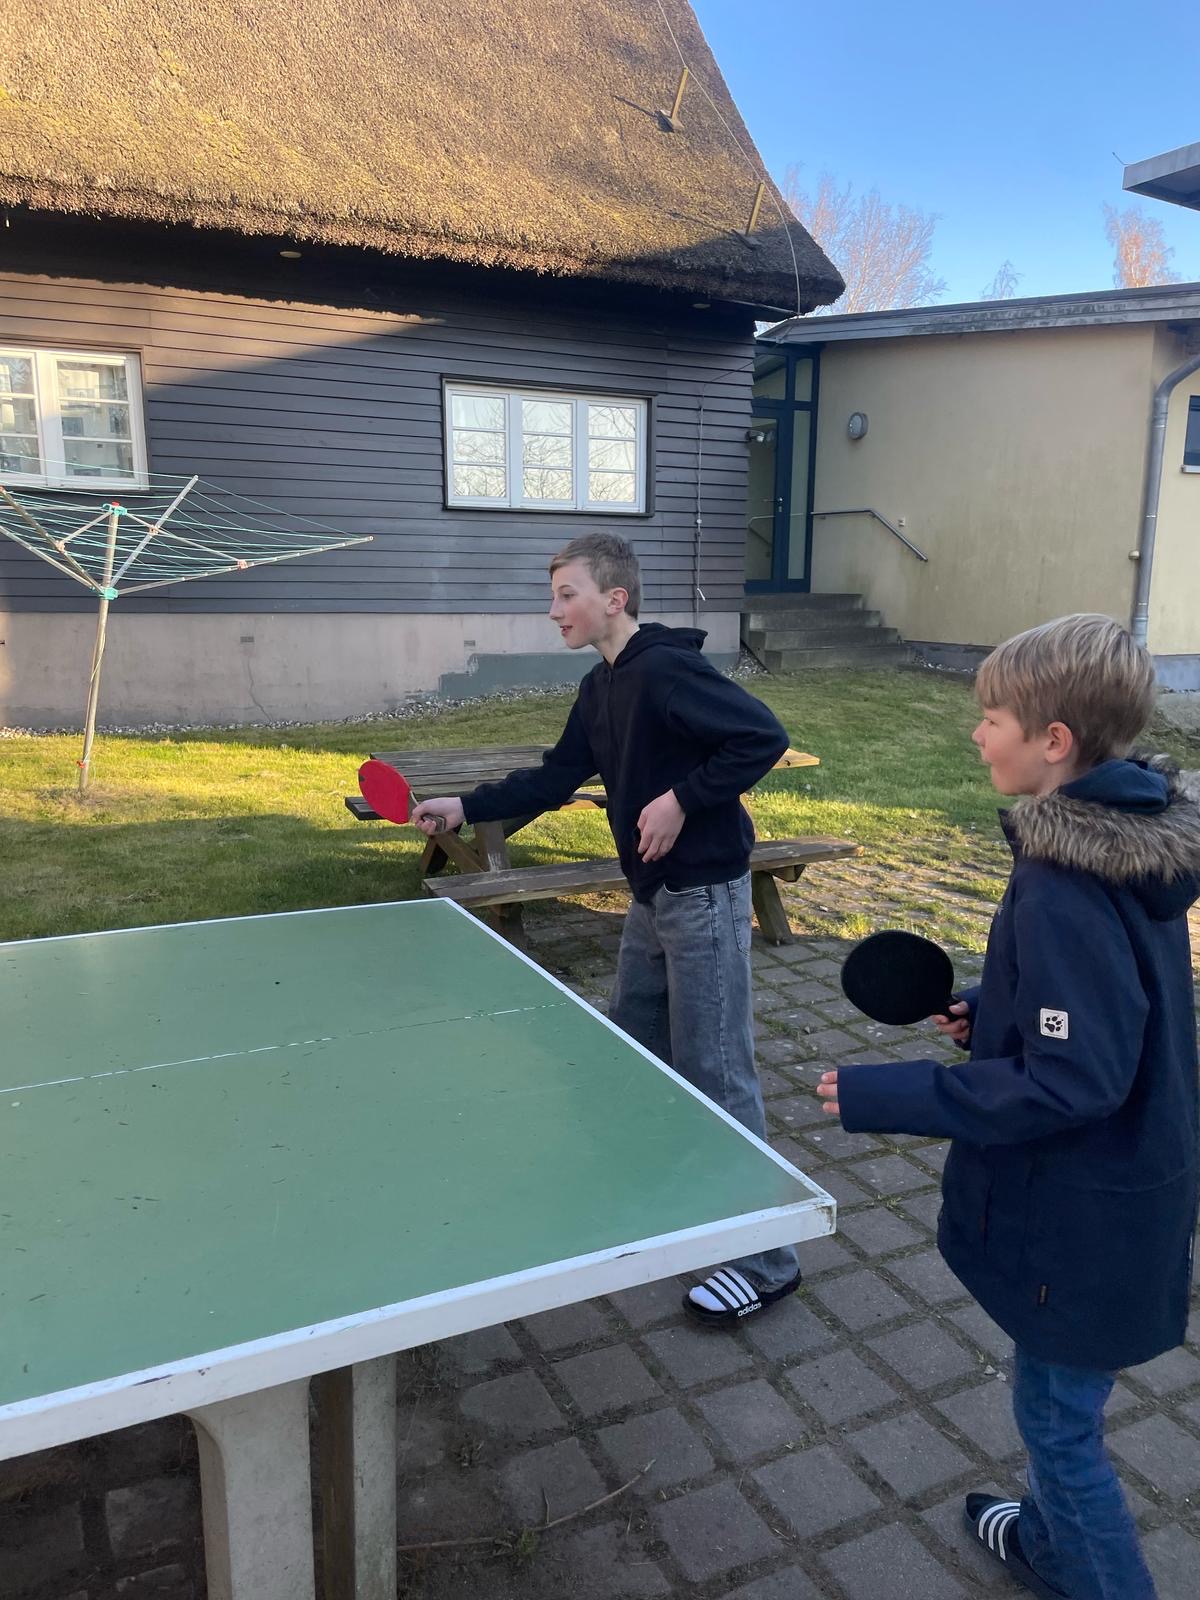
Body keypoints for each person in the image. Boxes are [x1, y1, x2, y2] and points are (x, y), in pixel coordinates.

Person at [817, 614, 1200, 1600]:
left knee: (1059, 1428)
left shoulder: (1065, 878)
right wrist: (992, 1009)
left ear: (1054, 741)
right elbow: (1109, 1005)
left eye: (992, 718)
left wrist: (889, 1091)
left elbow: (1075, 1078)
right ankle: (1046, 1544)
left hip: (1087, 1214)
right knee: (1057, 1407)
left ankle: (1094, 1570)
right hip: (1124, 1195)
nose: (977, 733)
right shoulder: (1128, 843)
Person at [412, 532, 803, 1324]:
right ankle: (658, 1187)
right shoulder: (601, 687)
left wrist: (681, 800)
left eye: (567, 594)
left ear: (614, 599)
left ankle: (767, 1259)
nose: (553, 609)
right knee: (635, 1050)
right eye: (553, 595)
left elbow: (761, 737)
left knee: (716, 1072)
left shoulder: (666, 671)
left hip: (704, 894)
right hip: (652, 897)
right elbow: (558, 775)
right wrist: (465, 806)